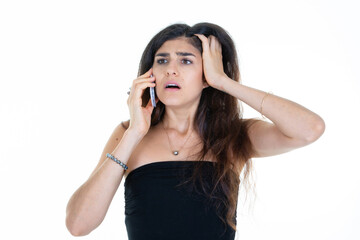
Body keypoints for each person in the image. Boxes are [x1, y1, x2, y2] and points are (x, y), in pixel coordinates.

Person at [65, 22, 325, 239]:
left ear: (206, 75)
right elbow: (78, 225)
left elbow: (310, 129)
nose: (171, 69)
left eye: (186, 61)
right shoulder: (128, 133)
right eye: (162, 60)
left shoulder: (236, 137)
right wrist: (134, 132)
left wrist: (224, 82)